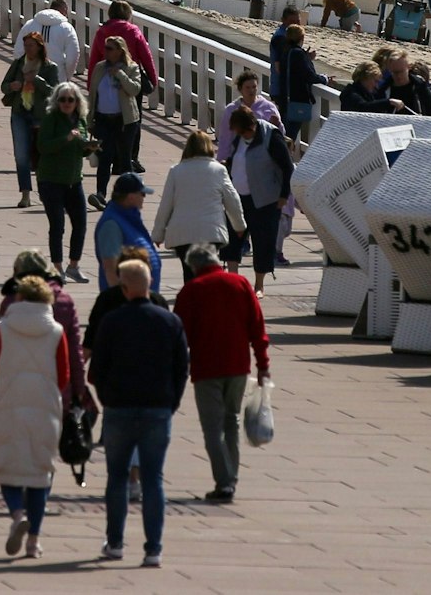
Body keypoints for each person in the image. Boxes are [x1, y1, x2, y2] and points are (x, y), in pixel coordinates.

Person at [88, 258, 187, 568]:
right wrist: (171, 402)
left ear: (124, 287)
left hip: (119, 407)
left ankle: (115, 543)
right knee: (153, 479)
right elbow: (181, 369)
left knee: (117, 477)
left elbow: (97, 370)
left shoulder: (113, 321)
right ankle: (153, 548)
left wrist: (106, 399)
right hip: (157, 408)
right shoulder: (169, 321)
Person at [172, 243, 269, 502]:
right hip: (238, 366)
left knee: (212, 428)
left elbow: (180, 336)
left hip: (206, 369)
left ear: (193, 266)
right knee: (231, 422)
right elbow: (257, 329)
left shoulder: (191, 291)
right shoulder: (240, 284)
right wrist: (263, 366)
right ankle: (231, 478)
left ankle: (224, 482)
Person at [0, 273, 71, 560]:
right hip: (44, 403)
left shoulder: (3, 328)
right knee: (40, 471)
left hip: (9, 400)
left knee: (8, 465)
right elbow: (64, 375)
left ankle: (17, 513)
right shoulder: (57, 331)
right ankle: (34, 541)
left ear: (19, 297)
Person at [222, 106, 293, 293]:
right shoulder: (240, 137)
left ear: (252, 126)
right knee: (231, 240)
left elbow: (287, 167)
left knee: (263, 242)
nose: (242, 135)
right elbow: (234, 160)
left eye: (244, 132)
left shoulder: (271, 136)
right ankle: (233, 282)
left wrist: (284, 195)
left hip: (265, 200)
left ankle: (259, 285)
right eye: (239, 132)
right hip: (237, 198)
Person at [151, 130, 245, 263]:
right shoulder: (219, 170)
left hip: (182, 233)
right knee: (208, 273)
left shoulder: (176, 171)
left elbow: (166, 204)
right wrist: (239, 226)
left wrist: (158, 234)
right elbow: (233, 200)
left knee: (188, 274)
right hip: (211, 232)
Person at [36, 82, 95, 281]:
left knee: (80, 224)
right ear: (57, 101)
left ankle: (74, 266)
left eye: (71, 99)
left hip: (74, 180)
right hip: (51, 180)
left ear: (77, 102)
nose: (67, 103)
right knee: (57, 225)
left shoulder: (81, 119)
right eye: (62, 99)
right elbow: (43, 147)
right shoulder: (51, 119)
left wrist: (89, 147)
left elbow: (81, 148)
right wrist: (66, 139)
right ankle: (58, 267)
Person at [1, 31, 60, 210]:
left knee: (41, 155)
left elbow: (55, 92)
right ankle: (25, 193)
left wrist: (38, 81)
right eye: (25, 46)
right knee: (21, 155)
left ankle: (44, 191)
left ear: (40, 47)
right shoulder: (19, 64)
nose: (27, 49)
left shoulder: (50, 67)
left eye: (31, 46)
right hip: (20, 112)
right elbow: (4, 86)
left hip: (40, 116)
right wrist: (12, 86)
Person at [89, 35, 147, 196]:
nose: (105, 52)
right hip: (102, 119)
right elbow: (92, 94)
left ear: (120, 51)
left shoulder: (131, 67)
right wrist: (89, 119)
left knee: (124, 159)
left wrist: (121, 75)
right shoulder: (100, 68)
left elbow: (134, 90)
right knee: (105, 158)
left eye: (109, 49)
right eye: (105, 48)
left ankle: (130, 194)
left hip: (124, 121)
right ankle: (100, 193)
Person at [94, 172, 162, 293]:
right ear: (130, 197)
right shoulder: (111, 225)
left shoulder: (128, 219)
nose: (144, 197)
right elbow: (110, 269)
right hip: (127, 303)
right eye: (142, 193)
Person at [14, 6, 83, 83]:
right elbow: (72, 57)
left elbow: (18, 51)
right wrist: (67, 76)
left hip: (30, 75)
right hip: (58, 76)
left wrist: (22, 72)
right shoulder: (67, 28)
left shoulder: (29, 24)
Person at [277, 24, 321, 143]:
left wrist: (306, 57)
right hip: (295, 100)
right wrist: (325, 79)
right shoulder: (297, 53)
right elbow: (309, 75)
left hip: (285, 99)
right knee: (289, 137)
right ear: (301, 38)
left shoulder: (286, 51)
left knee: (285, 133)